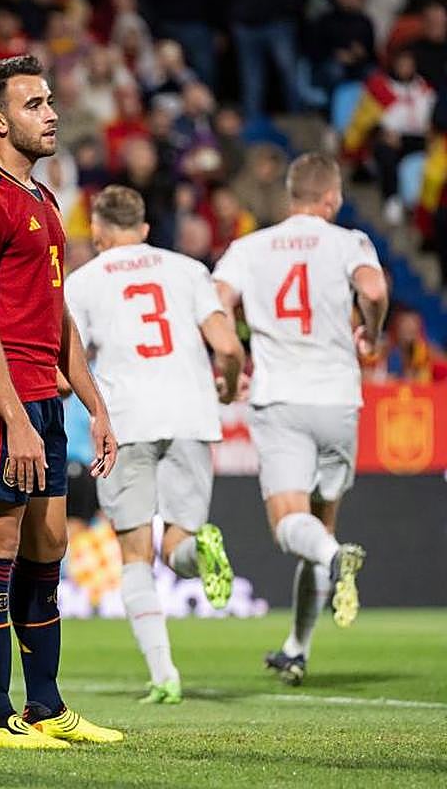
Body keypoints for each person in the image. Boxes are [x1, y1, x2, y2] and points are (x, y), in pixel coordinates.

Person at [0, 55, 123, 750]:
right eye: (35, 104)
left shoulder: (42, 200)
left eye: (49, 101)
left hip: (45, 394)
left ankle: (46, 706)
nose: (51, 114)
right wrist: (14, 418)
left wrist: (95, 405)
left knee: (49, 546)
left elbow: (58, 315)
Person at [213, 153, 388, 685]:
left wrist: (232, 356)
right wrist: (373, 334)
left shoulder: (250, 248)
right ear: (331, 199)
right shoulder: (349, 241)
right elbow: (375, 290)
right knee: (320, 523)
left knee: (292, 525)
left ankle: (336, 558)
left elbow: (216, 300)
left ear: (292, 196)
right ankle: (297, 647)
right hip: (338, 399)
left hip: (282, 399)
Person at [65, 185, 244, 704]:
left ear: (97, 233)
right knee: (176, 546)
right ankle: (199, 549)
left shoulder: (85, 281)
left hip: (128, 422)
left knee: (136, 555)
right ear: (144, 230)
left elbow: (69, 361)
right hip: (191, 416)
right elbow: (228, 347)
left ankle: (164, 674)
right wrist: (229, 385)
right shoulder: (188, 270)